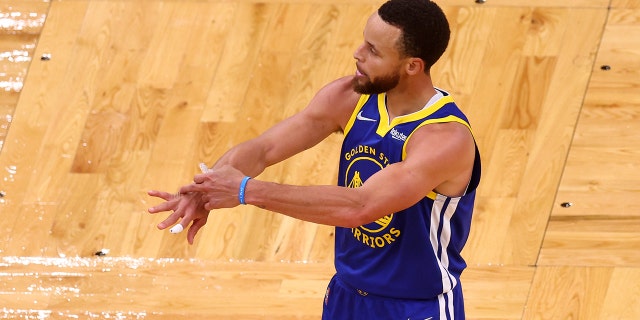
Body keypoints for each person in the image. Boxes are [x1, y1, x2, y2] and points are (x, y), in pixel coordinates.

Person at [148, 0, 481, 318]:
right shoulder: (349, 97)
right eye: (364, 42)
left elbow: (359, 207)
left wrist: (245, 190)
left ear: (413, 66)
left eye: (373, 51)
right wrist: (207, 187)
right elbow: (264, 149)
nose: (358, 54)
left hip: (416, 308)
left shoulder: (444, 140)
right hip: (345, 298)